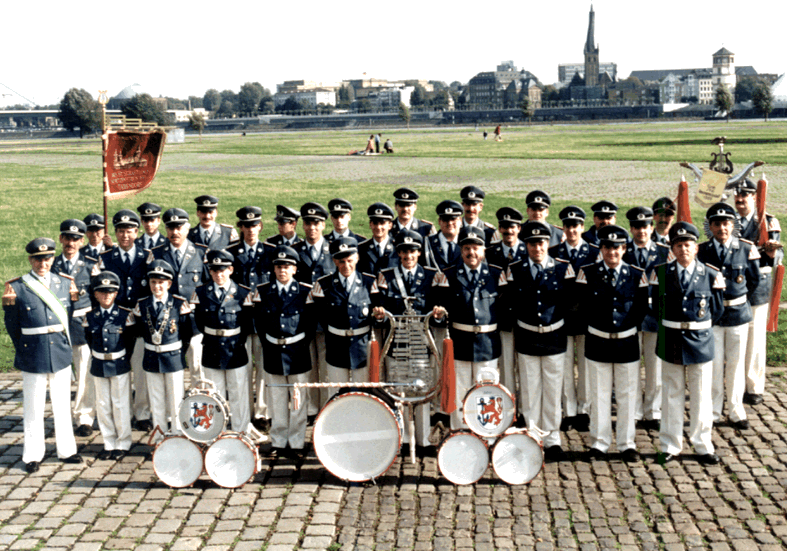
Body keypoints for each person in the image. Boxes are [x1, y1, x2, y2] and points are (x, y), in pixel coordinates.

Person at [4, 238, 82, 473]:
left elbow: (70, 318)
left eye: (47, 258)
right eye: (38, 259)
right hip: (33, 351)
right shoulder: (17, 287)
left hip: (59, 350)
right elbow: (12, 326)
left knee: (61, 404)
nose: (42, 263)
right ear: (30, 260)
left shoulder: (64, 283)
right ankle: (32, 455)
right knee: (33, 406)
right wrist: (26, 347)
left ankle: (67, 451)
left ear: (53, 259)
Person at [651, 222, 725, 464]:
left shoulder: (712, 274)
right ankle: (670, 445)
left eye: (688, 245)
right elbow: (655, 308)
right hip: (670, 338)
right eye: (679, 245)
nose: (684, 249)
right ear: (672, 248)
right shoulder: (660, 273)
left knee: (701, 395)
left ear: (696, 248)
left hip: (700, 341)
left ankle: (703, 445)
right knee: (671, 394)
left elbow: (717, 309)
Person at [576, 225, 648, 462]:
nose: (612, 252)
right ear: (601, 248)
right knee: (599, 394)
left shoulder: (637, 274)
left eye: (617, 248)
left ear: (624, 249)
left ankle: (627, 443)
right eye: (607, 247)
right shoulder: (587, 272)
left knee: (627, 395)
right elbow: (582, 307)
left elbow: (640, 309)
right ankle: (599, 443)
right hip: (598, 341)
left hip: (626, 342)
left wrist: (624, 330)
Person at [506, 221, 576, 460]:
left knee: (553, 389)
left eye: (542, 242)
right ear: (525, 245)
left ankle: (553, 438)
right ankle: (533, 435)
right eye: (532, 243)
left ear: (549, 243)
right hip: (527, 336)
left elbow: (570, 303)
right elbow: (510, 303)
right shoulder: (515, 269)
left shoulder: (563, 269)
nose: (537, 247)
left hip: (554, 336)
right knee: (530, 389)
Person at [373, 230, 443, 452]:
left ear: (419, 253)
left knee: (421, 388)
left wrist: (439, 313)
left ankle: (422, 439)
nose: (408, 256)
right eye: (403, 251)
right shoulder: (386, 276)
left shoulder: (432, 276)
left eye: (412, 251)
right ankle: (402, 438)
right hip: (397, 341)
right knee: (398, 388)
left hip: (421, 341)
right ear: (398, 253)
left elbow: (438, 310)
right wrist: (380, 314)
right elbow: (380, 309)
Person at [434, 226, 508, 430]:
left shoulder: (496, 275)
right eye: (466, 247)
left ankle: (485, 433)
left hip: (488, 344)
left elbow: (503, 309)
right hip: (461, 343)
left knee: (486, 393)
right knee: (460, 391)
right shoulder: (448, 275)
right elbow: (440, 311)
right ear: (460, 249)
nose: (471, 252)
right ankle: (459, 432)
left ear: (484, 250)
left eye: (476, 247)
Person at [697, 202, 761, 430]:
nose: (722, 228)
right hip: (712, 316)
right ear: (710, 226)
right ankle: (713, 411)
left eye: (726, 223)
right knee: (713, 365)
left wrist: (739, 299)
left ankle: (735, 410)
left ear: (732, 225)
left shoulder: (746, 248)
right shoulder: (702, 251)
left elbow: (753, 280)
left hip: (737, 315)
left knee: (735, 364)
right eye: (717, 224)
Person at [253, 245, 315, 458]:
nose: (282, 270)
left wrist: (298, 344)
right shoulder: (263, 292)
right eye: (279, 266)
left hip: (297, 352)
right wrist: (271, 344)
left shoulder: (306, 292)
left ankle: (297, 442)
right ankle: (278, 441)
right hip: (273, 351)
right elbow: (260, 324)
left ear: (295, 269)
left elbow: (310, 324)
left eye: (287, 266)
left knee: (298, 400)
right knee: (277, 399)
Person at [95, 209, 152, 432]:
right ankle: (122, 414)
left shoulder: (146, 257)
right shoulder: (106, 258)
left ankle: (142, 413)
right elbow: (98, 290)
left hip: (139, 322)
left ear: (137, 232)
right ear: (115, 234)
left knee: (140, 370)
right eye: (120, 231)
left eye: (129, 231)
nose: (125, 236)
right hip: (115, 323)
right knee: (119, 372)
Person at [190, 250, 254, 433]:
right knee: (213, 393)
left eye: (223, 270)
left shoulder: (243, 293)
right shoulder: (201, 292)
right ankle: (216, 432)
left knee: (238, 394)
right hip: (211, 348)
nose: (219, 274)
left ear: (231, 270)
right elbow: (200, 322)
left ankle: (241, 432)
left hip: (235, 349)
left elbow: (247, 323)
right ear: (210, 272)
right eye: (215, 270)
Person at [307, 237, 379, 398]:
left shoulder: (369, 282)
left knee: (363, 393)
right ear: (334, 261)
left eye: (349, 260)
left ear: (357, 258)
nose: (346, 265)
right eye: (341, 261)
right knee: (337, 393)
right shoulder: (323, 285)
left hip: (362, 347)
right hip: (336, 347)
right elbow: (322, 317)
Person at [732, 179, 783, 406]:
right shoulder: (727, 221)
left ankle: (753, 387)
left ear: (755, 197)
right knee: (733, 339)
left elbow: (776, 259)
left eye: (746, 195)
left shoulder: (767, 221)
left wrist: (771, 254)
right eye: (738, 195)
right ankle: (733, 385)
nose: (740, 200)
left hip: (757, 287)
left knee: (754, 340)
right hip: (732, 287)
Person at [548, 206, 599, 432]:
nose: (571, 230)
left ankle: (584, 410)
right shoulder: (553, 251)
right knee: (565, 365)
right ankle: (568, 410)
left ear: (582, 227)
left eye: (576, 226)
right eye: (567, 226)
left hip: (587, 315)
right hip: (563, 315)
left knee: (586, 365)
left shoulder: (595, 252)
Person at [132, 260, 193, 441]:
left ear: (169, 284)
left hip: (173, 356)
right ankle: (159, 437)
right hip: (151, 356)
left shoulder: (178, 304)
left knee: (176, 399)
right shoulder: (142, 305)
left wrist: (179, 353)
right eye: (153, 282)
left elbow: (186, 333)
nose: (157, 286)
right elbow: (140, 331)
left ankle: (177, 434)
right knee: (156, 400)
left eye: (161, 282)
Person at [623, 206, 672, 431]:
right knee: (631, 367)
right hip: (630, 317)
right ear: (631, 229)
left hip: (655, 316)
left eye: (645, 227)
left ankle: (653, 410)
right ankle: (633, 411)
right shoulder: (622, 252)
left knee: (655, 368)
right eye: (637, 227)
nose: (641, 231)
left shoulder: (664, 252)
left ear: (652, 228)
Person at [148, 208, 209, 382]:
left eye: (179, 228)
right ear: (165, 229)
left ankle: (198, 402)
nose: (175, 232)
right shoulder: (157, 254)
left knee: (197, 363)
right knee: (171, 366)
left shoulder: (201, 252)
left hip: (194, 319)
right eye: (171, 228)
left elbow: (206, 286)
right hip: (167, 320)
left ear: (187, 228)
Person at [227, 206, 273, 432]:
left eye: (255, 225)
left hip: (264, 321)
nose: (251, 230)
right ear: (240, 228)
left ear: (261, 227)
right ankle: (243, 411)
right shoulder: (231, 254)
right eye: (246, 226)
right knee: (242, 370)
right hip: (240, 321)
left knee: (264, 368)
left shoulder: (271, 252)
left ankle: (262, 412)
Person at [83, 271, 136, 461]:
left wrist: (122, 359)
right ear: (95, 294)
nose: (106, 295)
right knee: (103, 404)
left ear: (116, 294)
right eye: (102, 292)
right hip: (99, 363)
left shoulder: (124, 315)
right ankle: (109, 442)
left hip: (119, 363)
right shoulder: (90, 317)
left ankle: (123, 442)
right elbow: (89, 339)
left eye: (110, 292)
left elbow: (129, 342)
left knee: (120, 404)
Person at [53, 219, 96, 437]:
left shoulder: (90, 265)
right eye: (67, 238)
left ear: (82, 241)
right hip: (57, 323)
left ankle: (84, 417)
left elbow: (98, 296)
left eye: (76, 239)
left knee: (84, 370)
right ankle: (60, 416)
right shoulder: (51, 265)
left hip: (82, 321)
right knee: (59, 372)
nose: (71, 242)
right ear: (61, 239)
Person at [292, 202, 335, 413]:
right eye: (308, 223)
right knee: (308, 367)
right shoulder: (294, 251)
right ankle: (310, 409)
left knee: (327, 367)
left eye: (316, 223)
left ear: (324, 225)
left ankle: (326, 407)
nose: (312, 228)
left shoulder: (335, 249)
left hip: (327, 318)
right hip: (303, 319)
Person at [485, 207, 526, 396]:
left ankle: (526, 411)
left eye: (513, 227)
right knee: (507, 366)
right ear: (499, 229)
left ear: (519, 229)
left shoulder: (528, 251)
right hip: (503, 317)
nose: (509, 231)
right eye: (505, 227)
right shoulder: (490, 253)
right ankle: (511, 409)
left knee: (526, 369)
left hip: (526, 317)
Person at [357, 202, 397, 275]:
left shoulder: (397, 248)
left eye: (382, 223)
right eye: (375, 223)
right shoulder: (361, 249)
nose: (378, 227)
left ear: (390, 225)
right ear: (370, 225)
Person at [426, 200, 464, 272]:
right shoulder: (427, 243)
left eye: (453, 219)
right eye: (445, 219)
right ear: (439, 221)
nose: (449, 223)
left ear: (460, 221)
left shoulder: (466, 242)